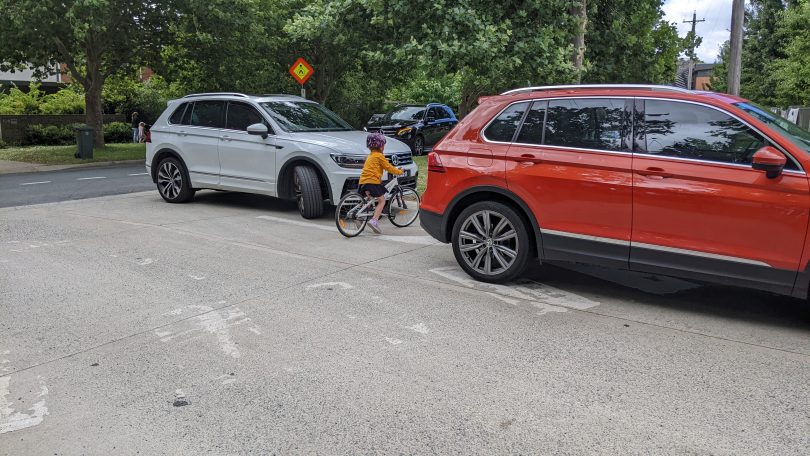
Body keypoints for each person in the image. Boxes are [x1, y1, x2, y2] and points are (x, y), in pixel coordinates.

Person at [358, 133, 403, 234]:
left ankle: (359, 218)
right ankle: (374, 221)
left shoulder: (370, 156)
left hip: (363, 182)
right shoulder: (379, 156)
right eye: (383, 145)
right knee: (382, 200)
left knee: (369, 201)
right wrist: (399, 172)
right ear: (380, 146)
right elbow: (389, 168)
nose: (384, 147)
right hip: (372, 182)